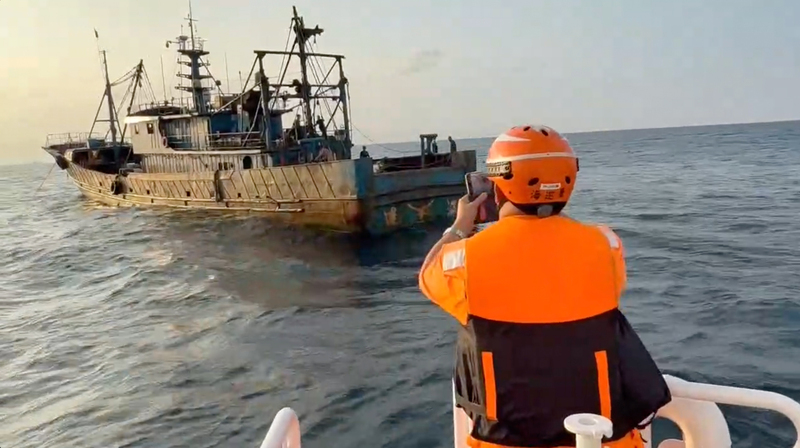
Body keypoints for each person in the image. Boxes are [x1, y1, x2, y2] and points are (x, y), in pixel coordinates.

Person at [419, 125, 671, 448]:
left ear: (497, 189)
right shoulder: (606, 245)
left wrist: (459, 226)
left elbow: (427, 275)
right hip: (602, 440)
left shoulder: (465, 259)